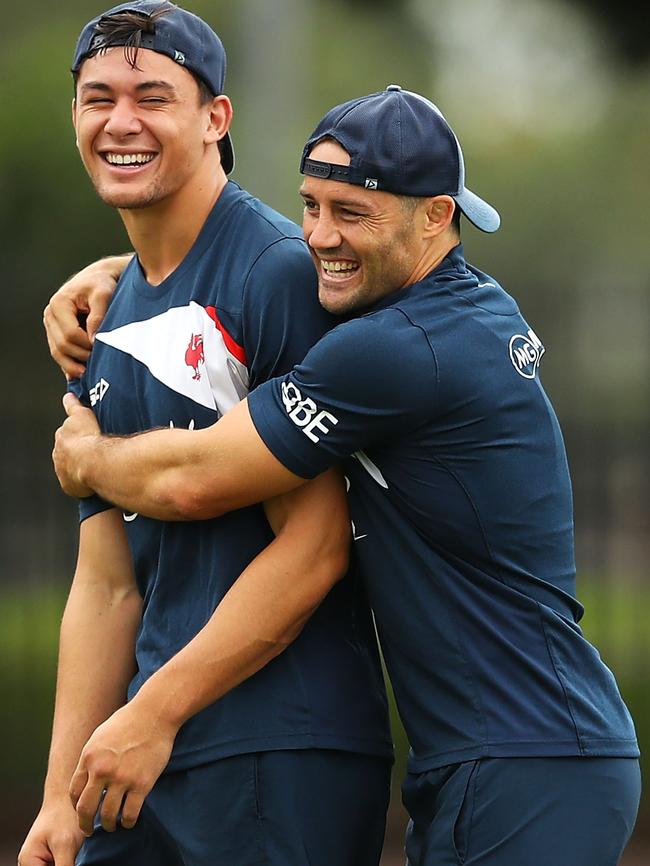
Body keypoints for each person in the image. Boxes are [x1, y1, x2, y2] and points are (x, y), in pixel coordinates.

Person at [47, 83, 642, 866]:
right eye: (311, 206)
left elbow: (193, 478)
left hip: (524, 758)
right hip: (504, 754)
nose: (322, 237)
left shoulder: (393, 350)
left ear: (437, 215)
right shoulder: (461, 306)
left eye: (351, 214)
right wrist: (130, 269)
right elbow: (251, 263)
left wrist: (85, 459)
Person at [19, 5, 394, 866]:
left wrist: (154, 714)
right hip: (135, 759)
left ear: (214, 119)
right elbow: (107, 582)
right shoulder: (99, 316)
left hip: (277, 749)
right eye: (98, 97)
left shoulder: (278, 273)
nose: (121, 121)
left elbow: (316, 547)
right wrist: (57, 795)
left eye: (154, 96)